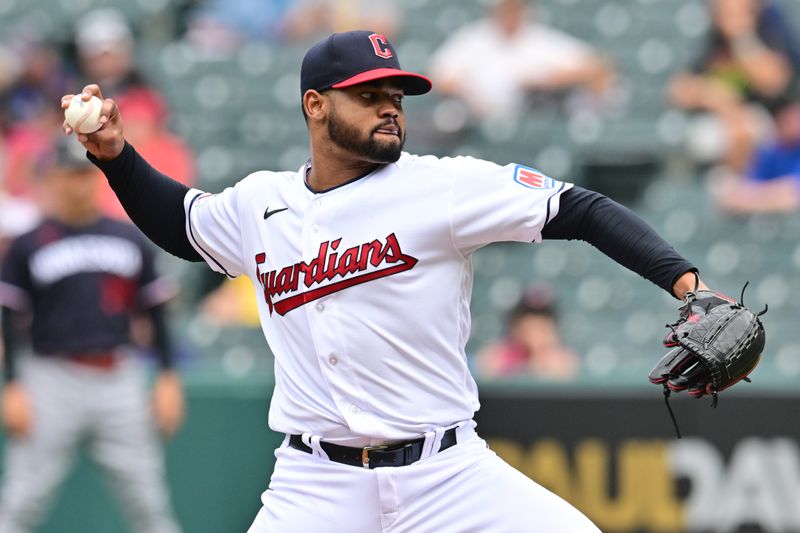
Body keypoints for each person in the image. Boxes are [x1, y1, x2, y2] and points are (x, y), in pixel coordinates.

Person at [64, 30, 708, 532]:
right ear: (315, 105)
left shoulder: (441, 186)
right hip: (315, 484)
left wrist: (688, 287)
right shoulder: (262, 203)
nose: (389, 109)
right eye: (368, 95)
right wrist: (116, 157)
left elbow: (580, 208)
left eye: (396, 97)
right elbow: (182, 225)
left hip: (449, 475)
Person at [0, 139, 184, 533]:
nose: (77, 184)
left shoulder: (129, 237)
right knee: (20, 502)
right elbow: (8, 318)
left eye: (84, 174)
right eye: (69, 175)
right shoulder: (29, 244)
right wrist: (11, 385)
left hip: (119, 377)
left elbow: (157, 311)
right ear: (51, 178)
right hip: (50, 376)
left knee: (148, 503)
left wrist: (168, 376)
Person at [669, 0, 800, 172]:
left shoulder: (768, 34)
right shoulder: (713, 42)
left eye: (739, 11)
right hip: (720, 122)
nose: (730, 17)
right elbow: (679, 90)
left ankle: (741, 189)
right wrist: (717, 99)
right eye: (725, 11)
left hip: (771, 121)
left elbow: (772, 83)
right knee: (710, 135)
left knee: (743, 130)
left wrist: (741, 37)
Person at [429, 0, 614, 119]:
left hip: (531, 113)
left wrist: (546, 79)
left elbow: (597, 66)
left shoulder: (540, 39)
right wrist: (468, 93)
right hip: (475, 116)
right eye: (505, 9)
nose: (509, 15)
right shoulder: (473, 37)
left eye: (514, 8)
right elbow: (440, 76)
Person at [715, 90, 800, 213]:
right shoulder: (769, 151)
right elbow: (744, 191)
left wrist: (761, 198)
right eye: (792, 118)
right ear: (779, 121)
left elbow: (794, 193)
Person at [476, 284, 578, 380]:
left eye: (541, 328)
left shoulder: (562, 358)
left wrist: (539, 359)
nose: (535, 335)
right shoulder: (499, 354)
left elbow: (566, 376)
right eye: (529, 328)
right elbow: (486, 371)